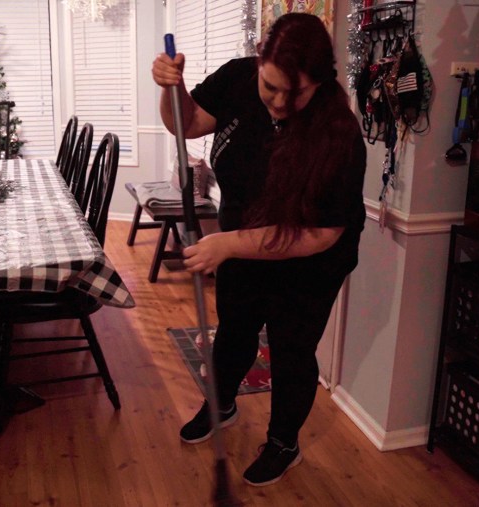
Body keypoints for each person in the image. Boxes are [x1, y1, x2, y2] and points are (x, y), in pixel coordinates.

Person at [151, 13, 366, 487]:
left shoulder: (338, 133)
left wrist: (227, 243)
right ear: (261, 61)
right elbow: (186, 123)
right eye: (271, 87)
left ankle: (284, 443)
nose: (281, 102)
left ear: (321, 81)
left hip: (311, 260)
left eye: (298, 92)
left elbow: (321, 233)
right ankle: (222, 404)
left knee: (291, 349)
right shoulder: (237, 78)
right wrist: (172, 88)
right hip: (243, 242)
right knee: (235, 332)